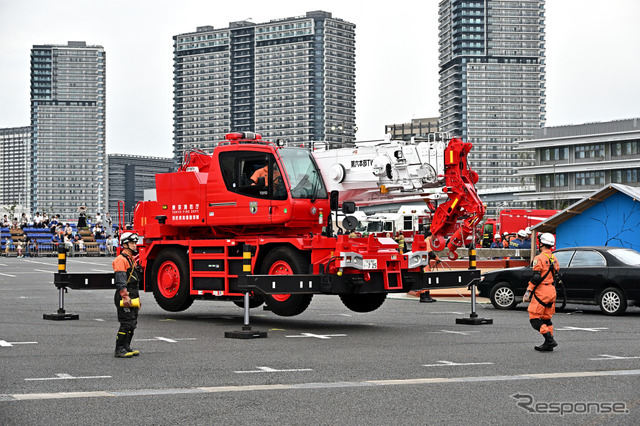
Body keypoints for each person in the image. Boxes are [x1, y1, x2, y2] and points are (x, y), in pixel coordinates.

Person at [523, 232, 559, 352]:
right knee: (546, 318)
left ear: (542, 243)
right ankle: (549, 342)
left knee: (534, 319)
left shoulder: (539, 258)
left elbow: (536, 277)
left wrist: (528, 291)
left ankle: (549, 340)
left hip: (542, 292)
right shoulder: (553, 258)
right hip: (552, 291)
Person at [113, 232, 142, 358]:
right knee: (126, 323)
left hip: (133, 294)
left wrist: (137, 299)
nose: (135, 245)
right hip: (125, 295)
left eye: (135, 242)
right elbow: (121, 280)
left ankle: (126, 346)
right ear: (125, 245)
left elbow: (134, 282)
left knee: (133, 322)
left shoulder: (131, 259)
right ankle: (119, 349)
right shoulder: (121, 260)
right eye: (132, 243)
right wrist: (125, 296)